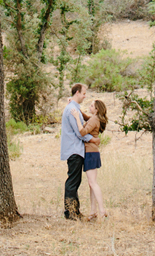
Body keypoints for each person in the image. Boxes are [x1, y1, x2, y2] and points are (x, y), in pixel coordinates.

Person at [59, 83, 88, 220]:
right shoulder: (71, 110)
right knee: (73, 181)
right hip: (74, 150)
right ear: (77, 92)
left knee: (75, 181)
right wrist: (92, 139)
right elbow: (79, 132)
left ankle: (75, 210)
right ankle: (70, 211)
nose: (84, 96)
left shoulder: (74, 108)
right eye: (83, 93)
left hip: (75, 149)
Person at [81, 98, 109, 221]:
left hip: (91, 152)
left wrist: (77, 118)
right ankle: (93, 212)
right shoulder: (95, 119)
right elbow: (87, 118)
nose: (90, 107)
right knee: (91, 182)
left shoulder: (94, 119)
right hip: (93, 152)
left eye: (92, 106)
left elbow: (83, 132)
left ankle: (102, 210)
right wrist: (80, 113)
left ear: (96, 110)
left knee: (92, 182)